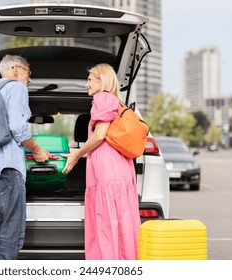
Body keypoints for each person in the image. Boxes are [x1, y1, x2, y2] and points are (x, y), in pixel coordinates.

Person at [0, 54, 53, 260]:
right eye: (29, 72)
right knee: (11, 229)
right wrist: (36, 150)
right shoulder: (16, 88)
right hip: (7, 169)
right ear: (17, 69)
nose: (30, 79)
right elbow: (18, 128)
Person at [62, 63, 140, 260]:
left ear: (102, 80)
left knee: (107, 227)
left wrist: (77, 154)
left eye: (89, 79)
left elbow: (99, 137)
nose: (86, 84)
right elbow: (102, 144)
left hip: (108, 176)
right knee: (121, 228)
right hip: (116, 173)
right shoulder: (115, 101)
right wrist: (74, 153)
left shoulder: (102, 98)